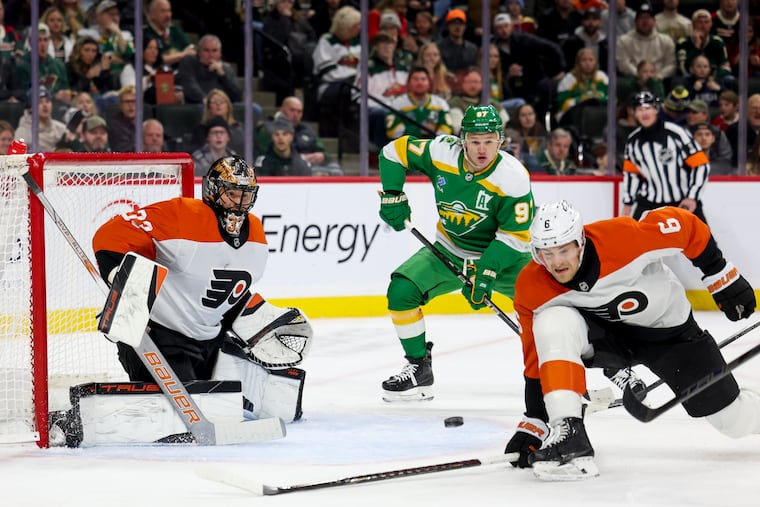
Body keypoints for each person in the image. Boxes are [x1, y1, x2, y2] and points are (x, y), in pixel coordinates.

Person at [506, 200, 757, 479]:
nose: (556, 262)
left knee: (733, 421)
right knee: (552, 323)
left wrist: (720, 274)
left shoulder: (622, 239)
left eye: (564, 250)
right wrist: (535, 419)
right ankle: (569, 433)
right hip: (606, 338)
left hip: (671, 335)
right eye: (546, 254)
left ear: (580, 243)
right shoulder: (532, 286)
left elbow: (685, 225)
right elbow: (535, 357)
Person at [92, 156, 310, 425]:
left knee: (263, 407)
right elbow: (109, 236)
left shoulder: (256, 234)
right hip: (158, 338)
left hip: (210, 342)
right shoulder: (182, 215)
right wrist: (126, 292)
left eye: (246, 195)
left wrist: (260, 323)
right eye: (232, 194)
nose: (240, 203)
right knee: (186, 417)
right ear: (213, 190)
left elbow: (230, 293)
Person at [377, 104, 534, 401]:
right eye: (475, 141)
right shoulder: (441, 153)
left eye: (489, 141)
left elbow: (514, 237)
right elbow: (392, 152)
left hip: (505, 258)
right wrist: (392, 194)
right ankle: (418, 368)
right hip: (449, 250)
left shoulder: (512, 176)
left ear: (500, 141)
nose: (482, 149)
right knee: (401, 291)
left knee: (544, 306)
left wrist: (485, 272)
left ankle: (560, 370)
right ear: (462, 139)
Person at [622, 91, 710, 222]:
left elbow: (701, 165)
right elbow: (631, 174)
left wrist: (692, 197)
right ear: (634, 113)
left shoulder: (676, 132)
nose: (644, 113)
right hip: (650, 203)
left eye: (648, 108)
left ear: (656, 110)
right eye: (640, 109)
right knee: (634, 241)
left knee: (704, 242)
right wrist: (628, 203)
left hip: (682, 200)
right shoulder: (633, 141)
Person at [256, 96, 330, 169]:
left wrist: (322, 156)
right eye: (292, 110)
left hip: (309, 168)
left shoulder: (307, 130)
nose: (295, 115)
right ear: (282, 110)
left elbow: (325, 153)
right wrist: (299, 158)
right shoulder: (268, 129)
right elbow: (267, 153)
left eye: (299, 111)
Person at [385, 66, 452, 141]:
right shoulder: (397, 104)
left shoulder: (441, 104)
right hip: (405, 148)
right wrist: (419, 130)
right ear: (408, 82)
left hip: (434, 148)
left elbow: (446, 129)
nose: (419, 83)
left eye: (423, 79)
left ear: (429, 83)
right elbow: (392, 131)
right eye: (415, 79)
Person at [616, 3, 676, 81]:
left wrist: (657, 76)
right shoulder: (623, 41)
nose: (645, 21)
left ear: (654, 21)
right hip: (633, 80)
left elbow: (671, 64)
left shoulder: (666, 40)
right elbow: (623, 64)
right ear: (635, 21)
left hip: (659, 80)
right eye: (641, 18)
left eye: (648, 17)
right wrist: (640, 75)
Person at [176, 34, 241, 104]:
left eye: (214, 51)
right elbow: (189, 85)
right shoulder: (189, 61)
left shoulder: (225, 69)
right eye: (206, 50)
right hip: (198, 105)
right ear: (199, 51)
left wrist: (223, 75)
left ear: (220, 53)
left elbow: (237, 95)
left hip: (222, 108)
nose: (211, 54)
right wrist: (206, 100)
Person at [143, 0, 196, 69]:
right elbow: (157, 60)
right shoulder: (145, 33)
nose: (168, 15)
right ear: (152, 14)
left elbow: (191, 50)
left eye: (169, 11)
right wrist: (182, 55)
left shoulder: (175, 30)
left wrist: (172, 58)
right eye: (163, 11)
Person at [15, 86, 67, 152]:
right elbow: (17, 158)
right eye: (40, 102)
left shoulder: (60, 128)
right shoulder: (22, 132)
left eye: (47, 101)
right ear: (30, 108)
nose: (45, 105)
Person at [107, 85, 136, 152]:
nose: (130, 105)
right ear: (120, 105)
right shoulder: (113, 125)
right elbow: (121, 148)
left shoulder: (146, 123)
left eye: (134, 101)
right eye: (126, 101)